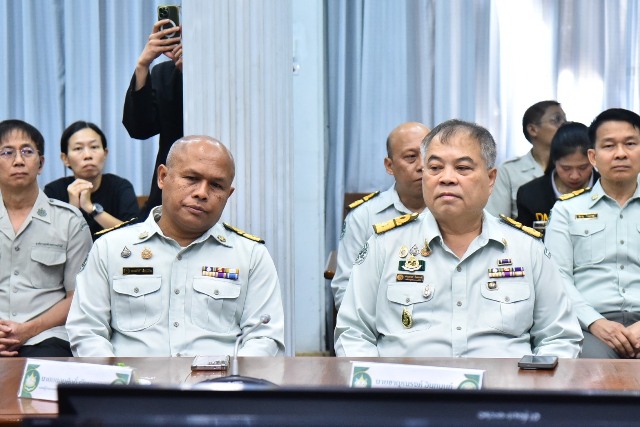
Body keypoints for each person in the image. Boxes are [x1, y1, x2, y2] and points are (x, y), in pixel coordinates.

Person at [334, 119, 582, 357]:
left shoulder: (526, 248)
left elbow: (559, 337)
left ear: (490, 179)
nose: (446, 178)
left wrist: (533, 381)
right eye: (435, 168)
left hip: (504, 385)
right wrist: (376, 381)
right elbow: (353, 333)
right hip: (406, 384)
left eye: (462, 168)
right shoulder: (384, 245)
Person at [66, 135, 285, 357]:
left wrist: (232, 378)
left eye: (216, 185)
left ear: (228, 194)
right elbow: (87, 331)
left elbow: (263, 337)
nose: (202, 193)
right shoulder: (110, 248)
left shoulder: (250, 255)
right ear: (163, 177)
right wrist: (118, 377)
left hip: (220, 378)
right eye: (191, 178)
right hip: (131, 378)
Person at [544, 108, 640, 359]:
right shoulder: (566, 210)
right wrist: (595, 322)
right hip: (589, 327)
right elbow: (557, 278)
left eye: (630, 144)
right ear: (593, 157)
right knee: (591, 370)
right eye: (609, 145)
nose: (621, 153)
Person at [0, 120, 92, 357]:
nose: (18, 160)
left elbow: (79, 296)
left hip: (47, 337)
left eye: (27, 151)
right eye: (7, 152)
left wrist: (28, 330)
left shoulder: (69, 221)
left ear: (40, 163)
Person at [331, 122, 430, 310]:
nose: (422, 165)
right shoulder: (364, 216)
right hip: (383, 324)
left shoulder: (455, 212)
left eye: (428, 156)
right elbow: (345, 289)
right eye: (411, 157)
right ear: (389, 166)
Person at [123, 18, 184, 220]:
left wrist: (194, 74)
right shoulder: (165, 73)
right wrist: (143, 64)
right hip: (171, 184)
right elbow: (139, 128)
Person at [44, 121, 140, 240]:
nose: (87, 155)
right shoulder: (53, 191)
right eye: (78, 148)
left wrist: (91, 209)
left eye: (94, 147)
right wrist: (73, 209)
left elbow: (134, 235)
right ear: (65, 159)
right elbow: (51, 241)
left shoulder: (120, 186)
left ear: (105, 154)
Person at [486, 100, 566, 218]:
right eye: (557, 120)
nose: (564, 125)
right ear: (533, 130)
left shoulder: (574, 167)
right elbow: (497, 219)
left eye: (565, 120)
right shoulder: (509, 171)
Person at [516, 122, 598, 229]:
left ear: (593, 159)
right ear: (554, 161)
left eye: (583, 167)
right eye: (566, 168)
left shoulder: (609, 190)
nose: (575, 176)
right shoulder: (529, 194)